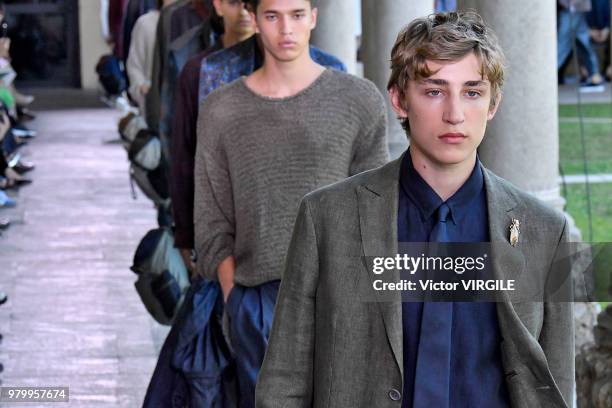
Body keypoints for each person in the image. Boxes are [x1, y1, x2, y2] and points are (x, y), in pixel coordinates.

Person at [256, 11, 574, 408]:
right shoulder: (325, 218)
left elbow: (557, 388)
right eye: (434, 91)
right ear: (399, 99)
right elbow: (285, 380)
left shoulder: (545, 231)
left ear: (493, 104)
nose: (455, 114)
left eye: (472, 92)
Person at [194, 0, 389, 405]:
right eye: (273, 16)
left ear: (313, 18)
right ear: (255, 20)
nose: (286, 28)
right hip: (259, 297)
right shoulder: (221, 110)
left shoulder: (359, 100)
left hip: (340, 293)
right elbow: (211, 215)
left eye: (297, 14)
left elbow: (377, 209)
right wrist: (235, 297)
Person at [557, 0, 603, 86]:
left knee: (564, 45)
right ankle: (594, 74)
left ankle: (594, 75)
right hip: (571, 9)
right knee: (580, 42)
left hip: (573, 8)